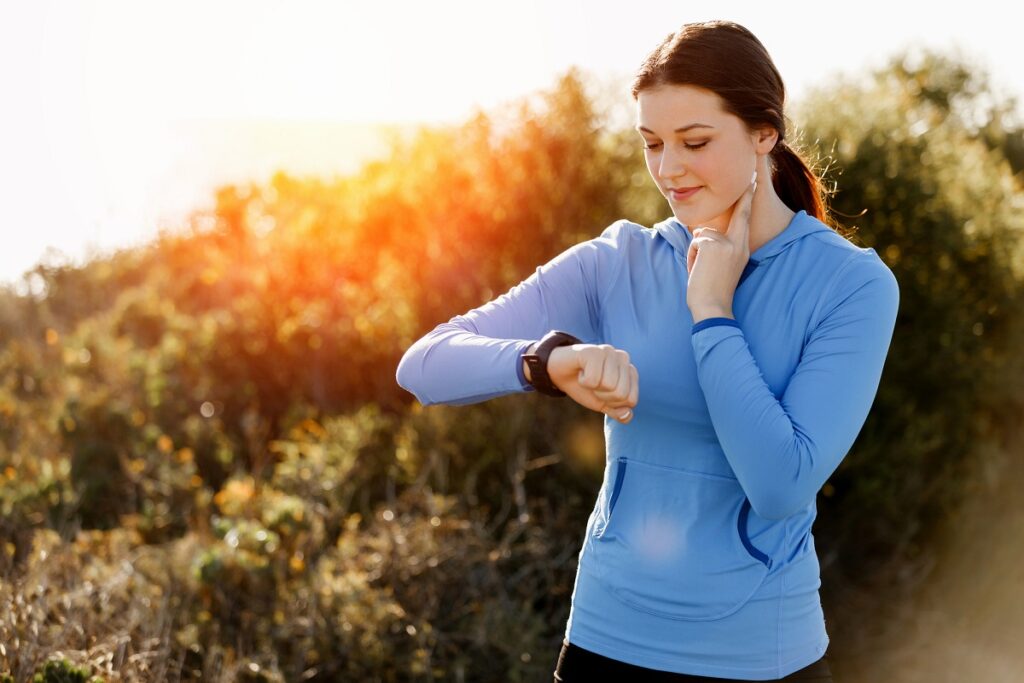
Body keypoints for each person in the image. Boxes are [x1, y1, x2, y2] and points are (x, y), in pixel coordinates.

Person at [395, 19, 898, 682]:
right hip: (607, 645)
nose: (667, 168)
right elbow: (425, 364)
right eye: (652, 143)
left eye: (694, 142)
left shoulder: (850, 283)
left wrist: (712, 312)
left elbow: (779, 484)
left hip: (762, 657)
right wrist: (545, 363)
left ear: (764, 134)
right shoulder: (620, 259)